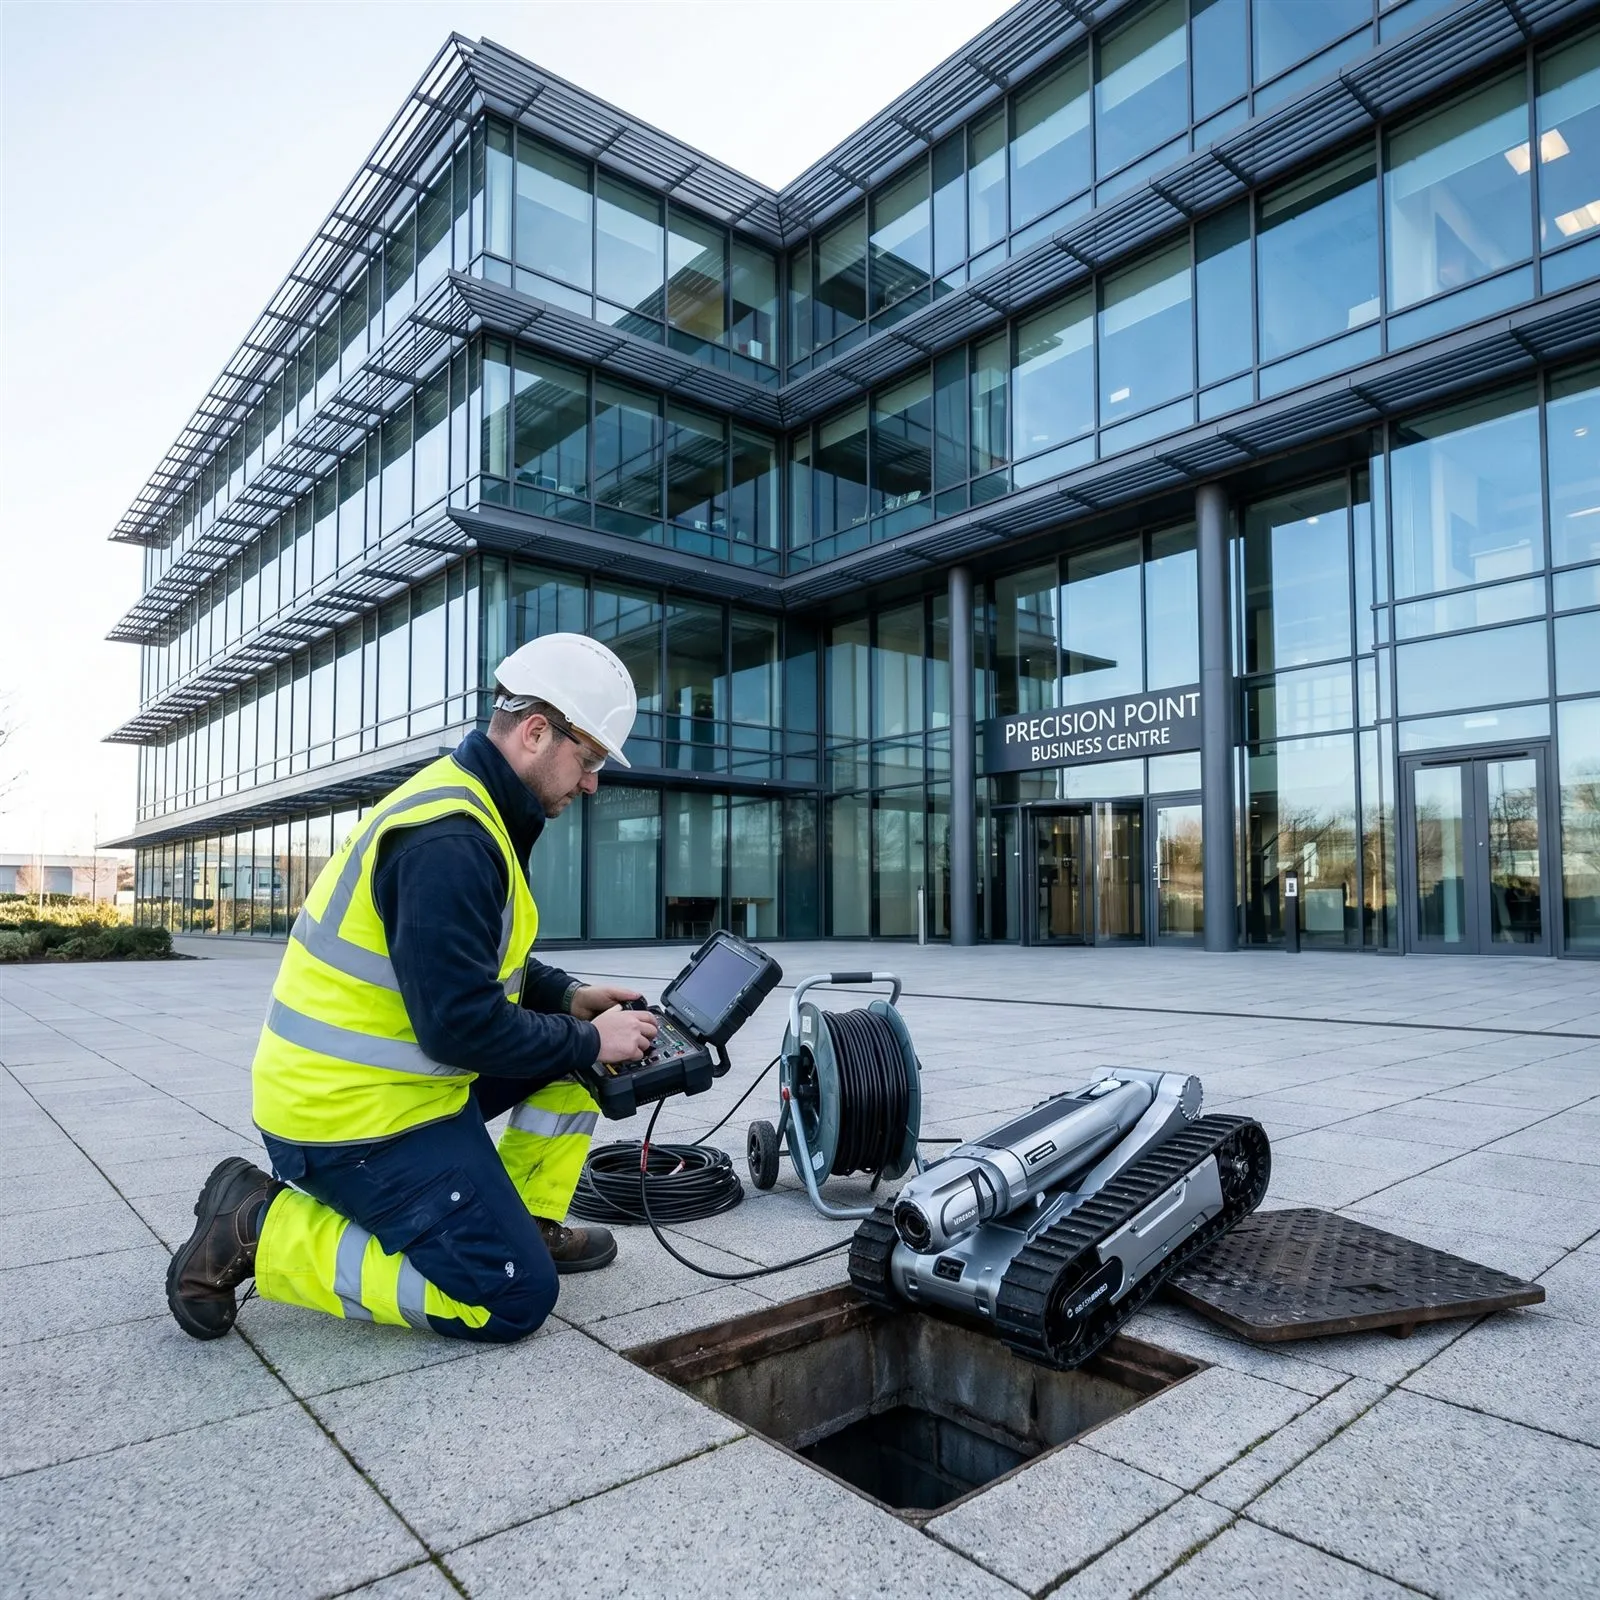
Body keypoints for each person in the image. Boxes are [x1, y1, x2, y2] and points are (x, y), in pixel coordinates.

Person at [166, 632, 659, 1344]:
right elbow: (459, 1024)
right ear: (535, 732)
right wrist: (588, 1037)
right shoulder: (449, 840)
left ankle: (522, 1222)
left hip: (391, 1087)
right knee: (510, 1300)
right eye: (587, 761)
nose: (590, 784)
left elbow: (468, 970)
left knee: (581, 1062)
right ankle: (257, 1225)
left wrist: (568, 1001)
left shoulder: (473, 809)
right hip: (349, 1119)